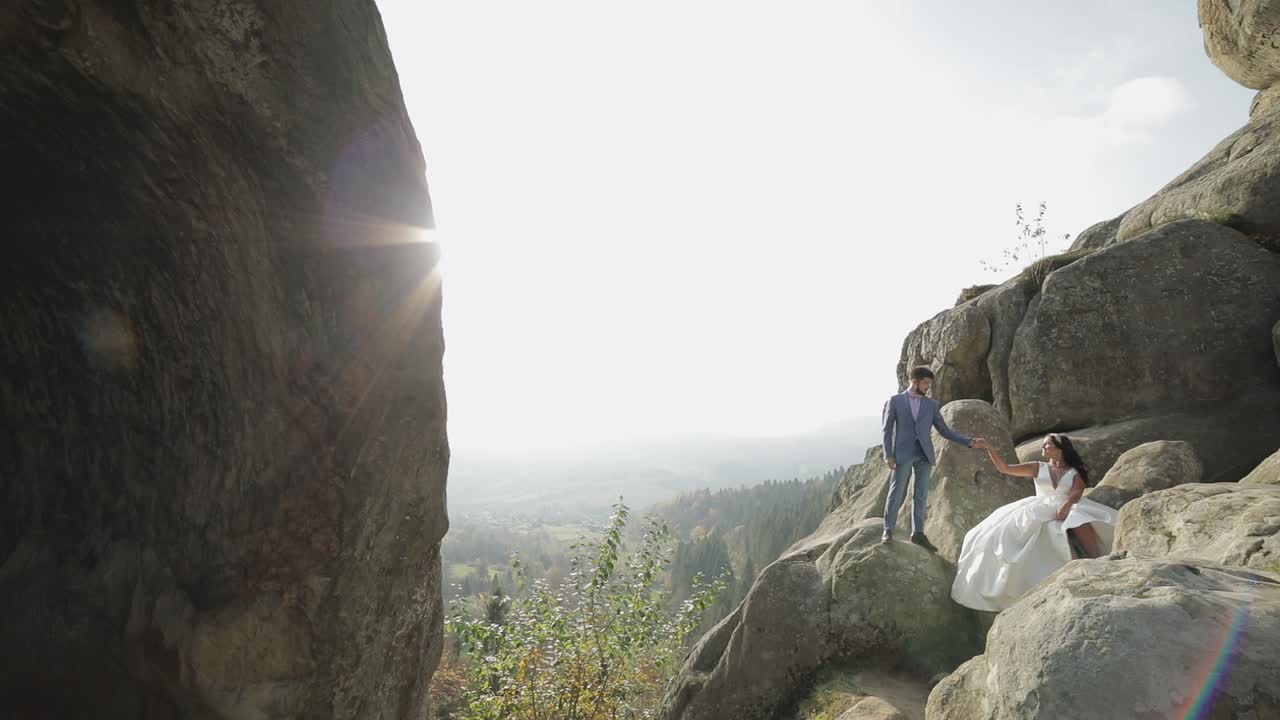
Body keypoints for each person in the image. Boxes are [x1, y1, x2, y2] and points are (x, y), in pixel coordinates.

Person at [951, 433, 1118, 612]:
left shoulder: (1074, 472)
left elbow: (1076, 492)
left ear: (1060, 449)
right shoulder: (1038, 467)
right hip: (1039, 506)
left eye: (1047, 445)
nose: (1043, 448)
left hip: (1067, 504)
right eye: (1043, 445)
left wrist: (1067, 505)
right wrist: (989, 447)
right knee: (1003, 532)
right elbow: (1005, 468)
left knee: (1079, 518)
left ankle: (1099, 560)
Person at [880, 366, 983, 550]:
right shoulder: (895, 401)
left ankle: (918, 533)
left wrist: (968, 441)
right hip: (902, 454)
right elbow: (887, 430)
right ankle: (888, 529)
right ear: (914, 381)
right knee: (896, 492)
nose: (928, 387)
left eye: (929, 383)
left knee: (920, 495)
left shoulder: (931, 405)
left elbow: (943, 430)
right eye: (926, 383)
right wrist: (888, 454)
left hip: (925, 454)